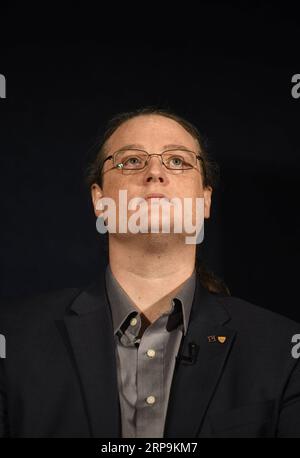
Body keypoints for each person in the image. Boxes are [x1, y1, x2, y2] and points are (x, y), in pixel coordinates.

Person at [0, 107, 300, 438]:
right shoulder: (12, 341)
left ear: (204, 201)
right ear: (99, 200)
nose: (155, 172)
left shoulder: (283, 352)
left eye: (177, 161)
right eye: (131, 161)